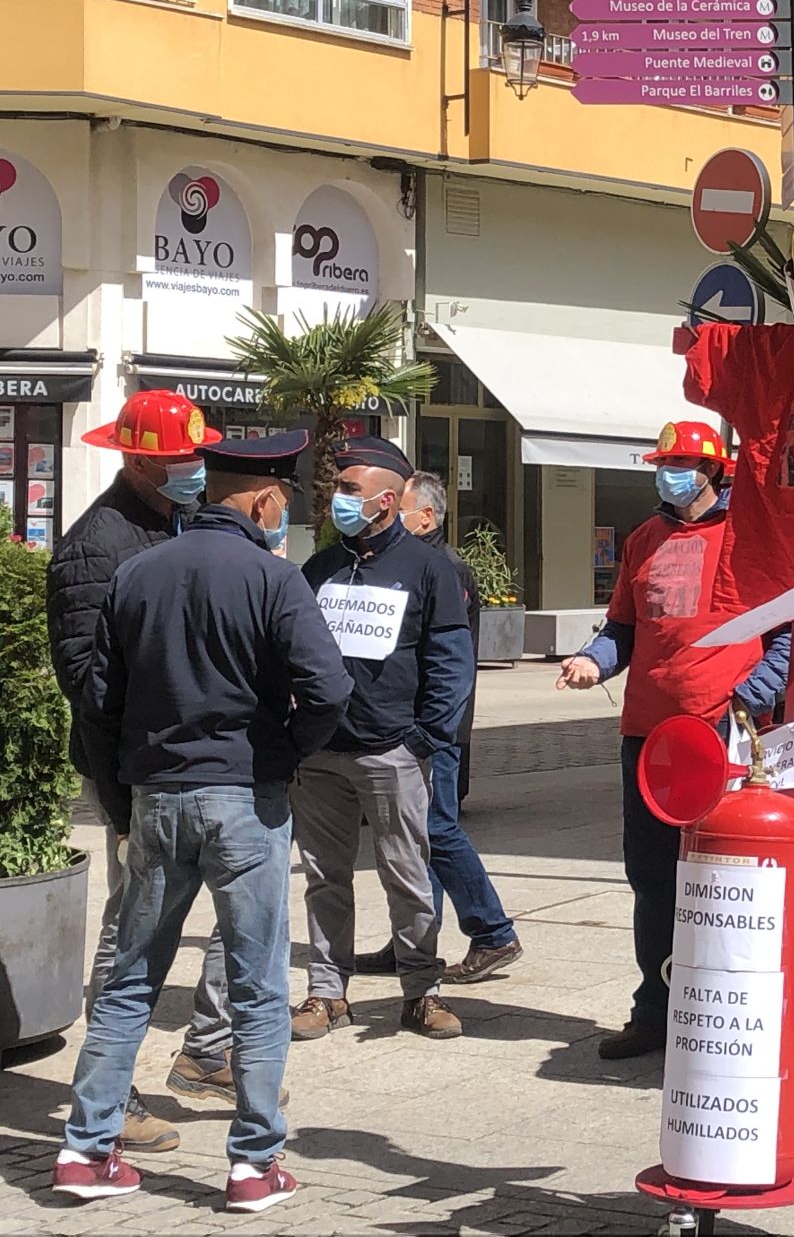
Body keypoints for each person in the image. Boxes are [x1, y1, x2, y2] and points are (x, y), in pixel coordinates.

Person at [53, 431, 352, 1211]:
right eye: (282, 502)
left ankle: (86, 1152)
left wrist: (126, 793)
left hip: (156, 798)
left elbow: (99, 699)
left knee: (128, 980)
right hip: (245, 801)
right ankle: (254, 1165)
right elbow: (327, 689)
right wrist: (281, 754)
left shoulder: (137, 573)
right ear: (263, 500)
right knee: (255, 987)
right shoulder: (272, 578)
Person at [558, 420, 790, 1059]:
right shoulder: (643, 539)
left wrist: (750, 695)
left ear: (716, 470)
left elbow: (785, 636)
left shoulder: (753, 538)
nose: (671, 473)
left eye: (685, 462)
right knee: (653, 878)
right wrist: (593, 661)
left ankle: (721, 1013)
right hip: (649, 737)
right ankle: (654, 1012)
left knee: (721, 877)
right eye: (665, 462)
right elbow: (621, 631)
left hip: (723, 736)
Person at [46, 390, 228, 1152]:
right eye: (184, 458)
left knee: (223, 921)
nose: (197, 468)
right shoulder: (98, 545)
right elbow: (87, 682)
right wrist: (122, 809)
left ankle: (206, 1055)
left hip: (189, 764)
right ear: (141, 459)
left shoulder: (172, 522)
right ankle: (110, 1102)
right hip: (136, 776)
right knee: (133, 937)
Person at [292, 437, 474, 1042]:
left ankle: (421, 991)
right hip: (319, 753)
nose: (336, 500)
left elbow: (452, 660)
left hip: (391, 750)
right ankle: (326, 992)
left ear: (387, 501)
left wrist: (424, 738)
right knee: (324, 875)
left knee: (406, 872)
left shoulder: (429, 569)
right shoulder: (318, 568)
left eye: (349, 491)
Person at [354, 471, 522, 984]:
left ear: (424, 516)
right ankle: (414, 941)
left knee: (435, 828)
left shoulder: (442, 569)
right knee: (417, 836)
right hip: (412, 725)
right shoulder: (405, 563)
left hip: (433, 729)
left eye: (397, 506)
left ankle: (492, 931)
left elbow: (450, 663)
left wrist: (428, 730)